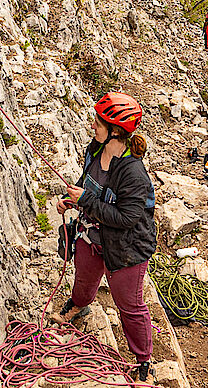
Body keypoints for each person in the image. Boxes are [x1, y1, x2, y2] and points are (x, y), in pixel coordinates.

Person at [52, 93, 157, 388]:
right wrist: (71, 200)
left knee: (129, 304)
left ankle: (143, 359)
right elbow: (88, 183)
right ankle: (78, 304)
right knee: (84, 278)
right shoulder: (95, 149)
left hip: (126, 248)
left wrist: (85, 200)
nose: (92, 126)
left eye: (98, 122)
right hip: (91, 233)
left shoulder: (134, 173)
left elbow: (126, 218)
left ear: (115, 130)